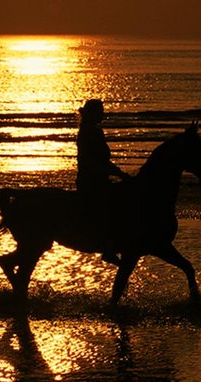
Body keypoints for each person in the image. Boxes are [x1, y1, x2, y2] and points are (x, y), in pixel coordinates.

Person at [75, 99, 130, 265]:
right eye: (100, 111)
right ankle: (108, 247)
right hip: (91, 181)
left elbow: (103, 161)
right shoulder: (88, 132)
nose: (103, 114)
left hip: (99, 179)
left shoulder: (93, 131)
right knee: (111, 207)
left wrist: (119, 173)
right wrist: (117, 173)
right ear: (93, 113)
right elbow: (91, 161)